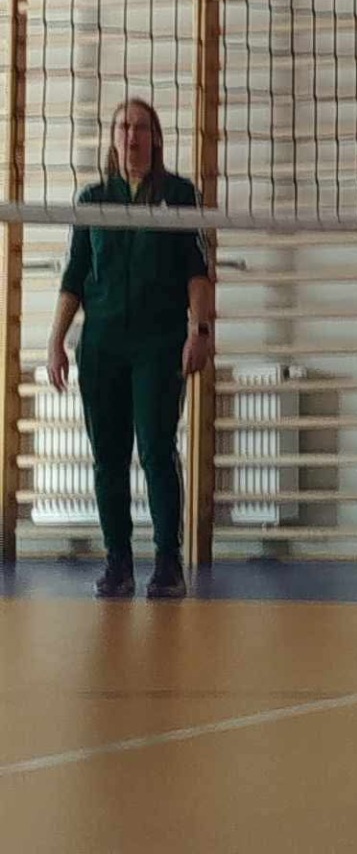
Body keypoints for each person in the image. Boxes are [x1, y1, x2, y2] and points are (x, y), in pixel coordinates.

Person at [46, 98, 213, 602]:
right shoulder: (94, 198)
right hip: (102, 344)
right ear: (113, 137)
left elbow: (198, 272)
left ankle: (168, 562)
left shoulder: (178, 195)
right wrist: (56, 342)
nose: (131, 136)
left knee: (157, 449)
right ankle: (117, 562)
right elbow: (75, 276)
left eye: (140, 127)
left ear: (155, 138)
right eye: (123, 127)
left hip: (158, 343)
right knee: (108, 457)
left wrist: (201, 332)